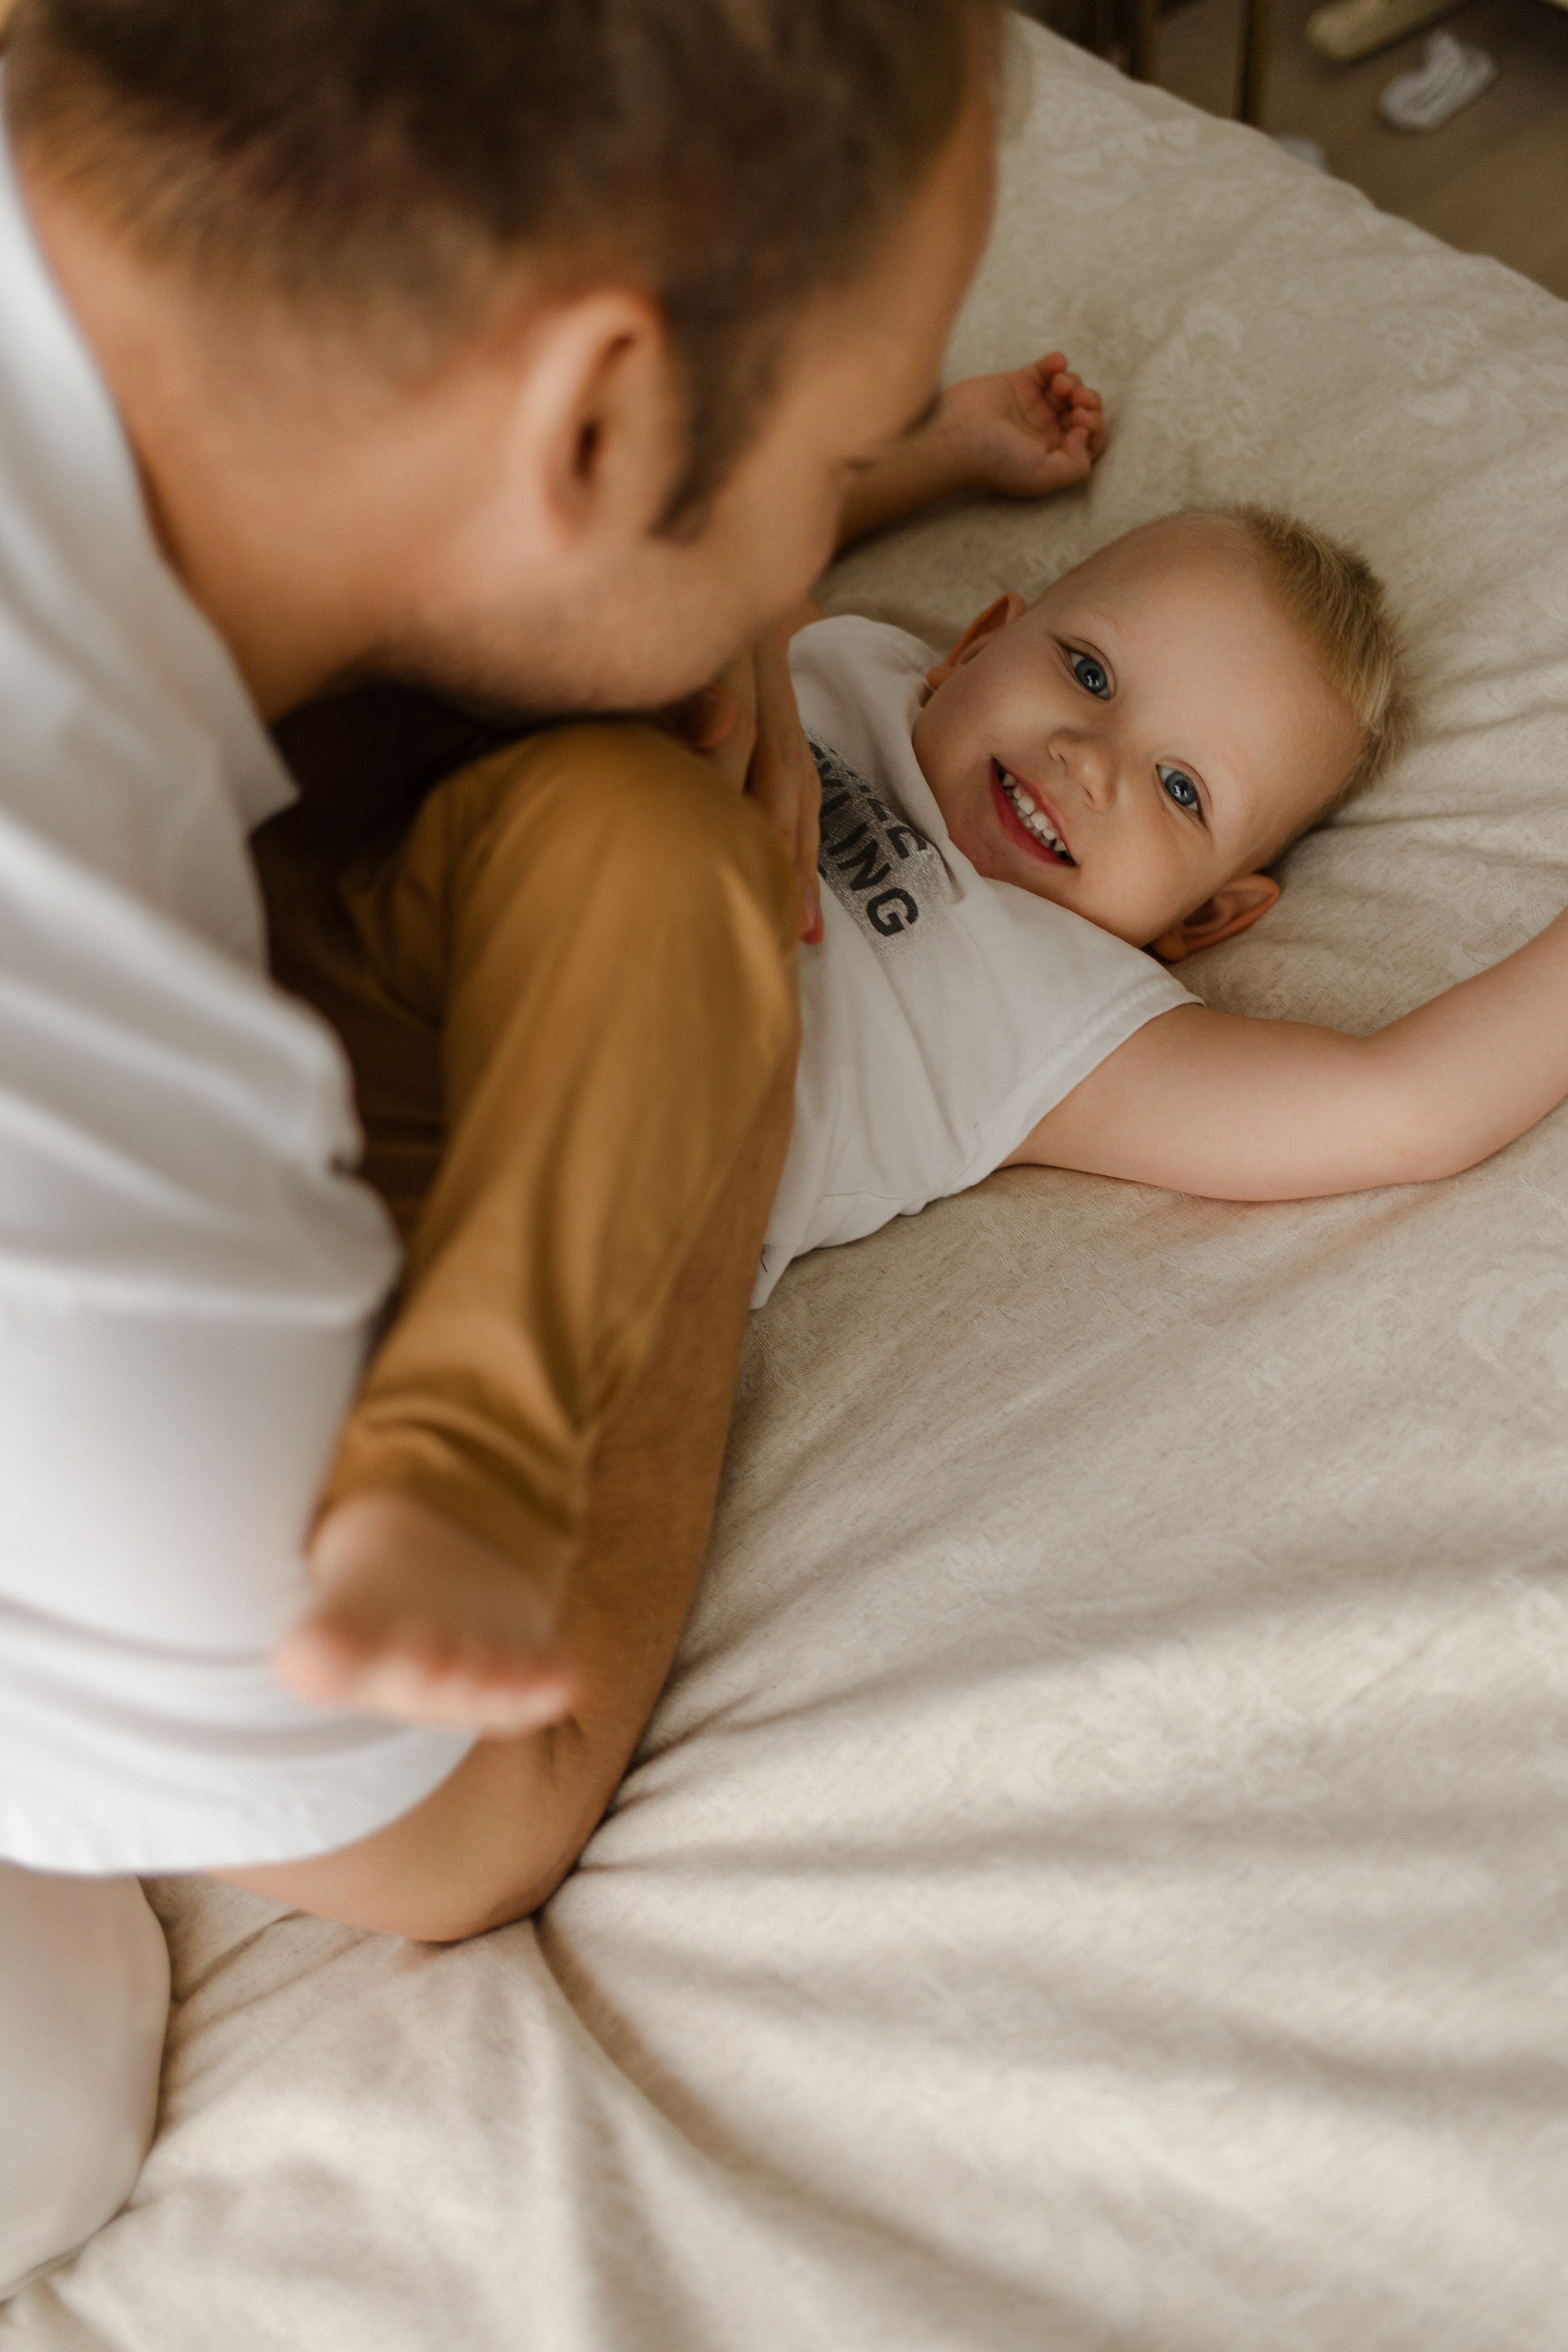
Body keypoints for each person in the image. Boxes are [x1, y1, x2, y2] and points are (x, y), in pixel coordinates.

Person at [0, 0, 1001, 2297]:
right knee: (49, 2063)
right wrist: (727, 1086)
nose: (803, 588)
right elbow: (458, 1835)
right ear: (595, 421)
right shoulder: (82, 1146)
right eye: (838, 461)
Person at [766, 505, 1568, 1292]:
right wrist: (937, 461)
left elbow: (1409, 1105)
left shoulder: (1065, 1021)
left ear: (1204, 916)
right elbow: (748, 529)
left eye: (1181, 789)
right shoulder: (849, 662)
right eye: (1091, 673)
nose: (1091, 762)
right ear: (978, 644)